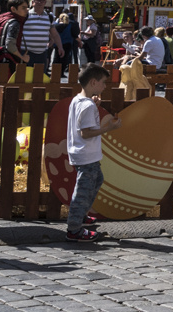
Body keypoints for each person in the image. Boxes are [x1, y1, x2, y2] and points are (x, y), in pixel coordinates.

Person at [65, 64, 120, 242]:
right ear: (94, 82)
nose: (105, 86)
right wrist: (108, 128)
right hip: (86, 154)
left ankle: (81, 216)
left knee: (97, 180)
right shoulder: (87, 105)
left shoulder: (79, 100)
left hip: (84, 154)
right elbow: (86, 133)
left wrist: (94, 104)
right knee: (83, 191)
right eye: (103, 83)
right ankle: (74, 229)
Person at [0, 0, 29, 81]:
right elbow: (10, 44)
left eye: (27, 7)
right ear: (13, 9)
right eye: (23, 8)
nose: (27, 10)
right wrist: (22, 57)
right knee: (8, 91)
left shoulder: (1, 19)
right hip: (7, 61)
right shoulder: (14, 23)